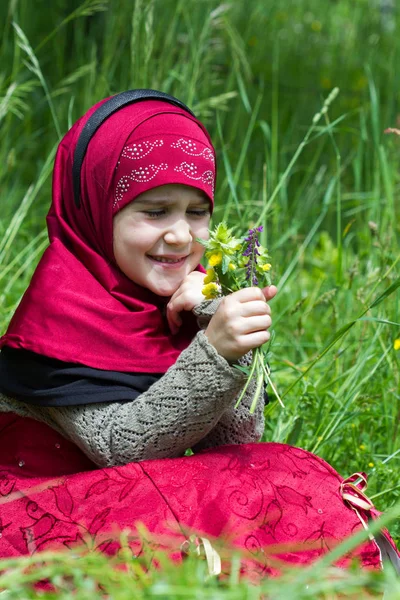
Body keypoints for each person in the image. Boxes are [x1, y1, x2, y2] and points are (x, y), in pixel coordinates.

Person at [0, 90, 398, 576]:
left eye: (197, 211)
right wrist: (213, 352)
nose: (181, 236)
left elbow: (229, 443)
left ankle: (352, 571)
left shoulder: (169, 298)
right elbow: (119, 447)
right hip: (45, 508)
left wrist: (213, 325)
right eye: (154, 211)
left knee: (272, 470)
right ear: (98, 210)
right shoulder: (57, 317)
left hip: (129, 496)